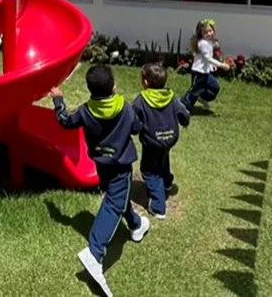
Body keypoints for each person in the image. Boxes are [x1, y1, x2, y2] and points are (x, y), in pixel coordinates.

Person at [50, 65, 150, 296]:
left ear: (90, 89)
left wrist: (58, 100)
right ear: (113, 87)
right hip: (121, 167)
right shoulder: (125, 107)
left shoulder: (85, 111)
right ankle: (94, 253)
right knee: (114, 203)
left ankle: (136, 225)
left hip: (101, 166)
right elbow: (137, 128)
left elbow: (65, 121)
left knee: (117, 196)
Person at [132, 63, 190, 220]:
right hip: (169, 138)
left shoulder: (141, 100)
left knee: (149, 171)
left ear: (145, 82)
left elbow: (132, 118)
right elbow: (184, 113)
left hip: (151, 142)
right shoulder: (171, 97)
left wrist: (133, 130)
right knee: (163, 157)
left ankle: (158, 207)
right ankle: (166, 182)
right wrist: (185, 121)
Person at [180, 19, 229, 112]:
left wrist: (211, 66)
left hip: (205, 72)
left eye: (210, 31)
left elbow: (208, 58)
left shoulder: (209, 42)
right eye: (205, 32)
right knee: (194, 91)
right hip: (199, 71)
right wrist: (221, 65)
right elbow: (208, 58)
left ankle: (202, 97)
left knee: (214, 87)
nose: (209, 34)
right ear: (200, 33)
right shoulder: (202, 43)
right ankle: (183, 107)